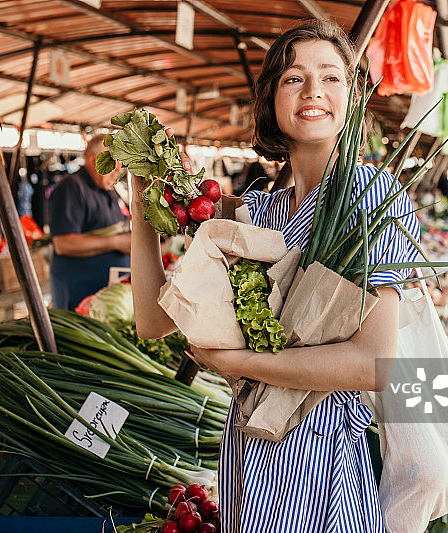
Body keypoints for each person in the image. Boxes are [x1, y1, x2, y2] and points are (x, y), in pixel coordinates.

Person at [130, 19, 418, 531]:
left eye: (331, 78)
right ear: (272, 100)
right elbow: (154, 320)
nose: (313, 91)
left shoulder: (372, 199)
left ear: (352, 98)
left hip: (323, 472)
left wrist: (238, 361)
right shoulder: (254, 213)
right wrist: (142, 205)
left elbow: (371, 364)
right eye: (293, 78)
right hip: (246, 460)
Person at [48, 134, 131, 310]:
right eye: (115, 163)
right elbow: (63, 244)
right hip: (78, 295)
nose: (119, 169)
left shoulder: (107, 188)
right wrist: (116, 242)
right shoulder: (71, 187)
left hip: (104, 296)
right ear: (95, 160)